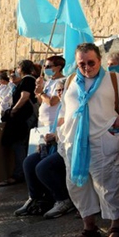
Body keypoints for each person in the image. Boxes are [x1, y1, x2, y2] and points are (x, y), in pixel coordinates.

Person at [58, 42, 119, 237]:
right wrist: (61, 132)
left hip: (103, 138)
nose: (87, 67)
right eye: (82, 63)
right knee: (77, 186)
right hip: (74, 141)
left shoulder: (113, 79)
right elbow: (64, 109)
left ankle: (115, 226)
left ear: (100, 60)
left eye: (91, 62)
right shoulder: (72, 79)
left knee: (106, 185)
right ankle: (88, 227)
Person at [15, 82, 75, 218]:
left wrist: (56, 136)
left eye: (62, 90)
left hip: (68, 147)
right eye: (58, 90)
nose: (59, 93)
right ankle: (35, 197)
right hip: (55, 145)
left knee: (43, 167)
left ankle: (63, 199)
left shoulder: (72, 107)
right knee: (29, 162)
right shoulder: (62, 108)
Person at [0, 61, 38, 186]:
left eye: (18, 68)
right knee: (20, 144)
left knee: (19, 144)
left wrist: (14, 109)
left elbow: (25, 96)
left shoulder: (27, 80)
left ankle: (20, 173)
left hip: (24, 117)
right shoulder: (27, 80)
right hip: (23, 116)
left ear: (21, 68)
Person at [34, 55, 66, 129]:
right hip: (43, 120)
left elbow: (52, 102)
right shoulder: (48, 81)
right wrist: (39, 87)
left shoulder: (63, 81)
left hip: (53, 121)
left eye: (48, 66)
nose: (45, 68)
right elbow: (41, 101)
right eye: (44, 66)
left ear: (58, 67)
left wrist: (41, 92)